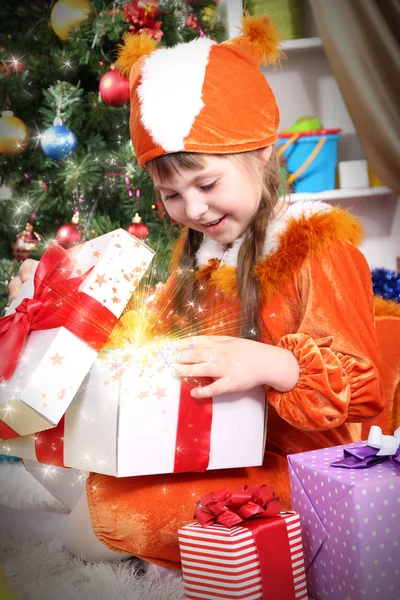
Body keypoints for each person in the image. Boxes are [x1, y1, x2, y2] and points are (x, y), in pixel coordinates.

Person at [5, 15, 384, 570]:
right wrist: (52, 307)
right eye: (172, 195)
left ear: (259, 153)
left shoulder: (317, 249)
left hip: (296, 467)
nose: (195, 210)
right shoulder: (200, 258)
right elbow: (153, 346)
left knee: (95, 525)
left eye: (207, 184)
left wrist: (275, 364)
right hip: (207, 451)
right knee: (64, 460)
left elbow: (363, 386)